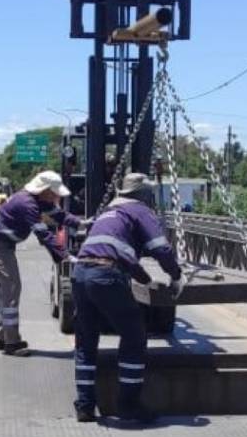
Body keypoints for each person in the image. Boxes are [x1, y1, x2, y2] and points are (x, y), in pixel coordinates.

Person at [72, 173, 182, 423]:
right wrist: (175, 275)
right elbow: (160, 248)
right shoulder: (140, 211)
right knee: (134, 336)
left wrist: (144, 279)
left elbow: (119, 252)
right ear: (143, 195)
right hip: (106, 275)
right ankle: (128, 405)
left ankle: (85, 406)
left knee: (86, 342)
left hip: (81, 272)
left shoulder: (109, 214)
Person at [0, 170, 79, 356]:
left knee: (9, 290)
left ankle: (3, 337)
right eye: (54, 192)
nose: (57, 196)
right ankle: (12, 343)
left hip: (3, 244)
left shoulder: (37, 200)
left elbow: (60, 216)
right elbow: (43, 234)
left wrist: (82, 224)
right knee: (11, 289)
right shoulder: (27, 204)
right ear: (44, 190)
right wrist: (65, 255)